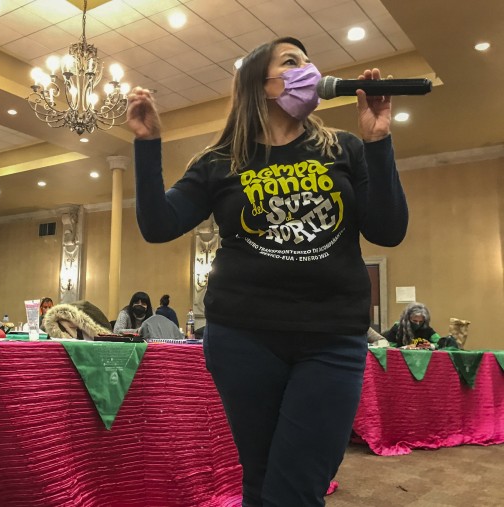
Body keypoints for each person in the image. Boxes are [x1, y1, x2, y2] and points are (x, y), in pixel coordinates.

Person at [126, 36, 408, 506]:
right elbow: (158, 226)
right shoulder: (219, 162)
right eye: (292, 62)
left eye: (308, 61)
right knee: (259, 479)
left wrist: (379, 141)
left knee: (297, 485)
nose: (308, 70)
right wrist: (148, 145)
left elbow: (388, 231)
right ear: (259, 84)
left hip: (332, 335)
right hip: (243, 337)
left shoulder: (345, 147)